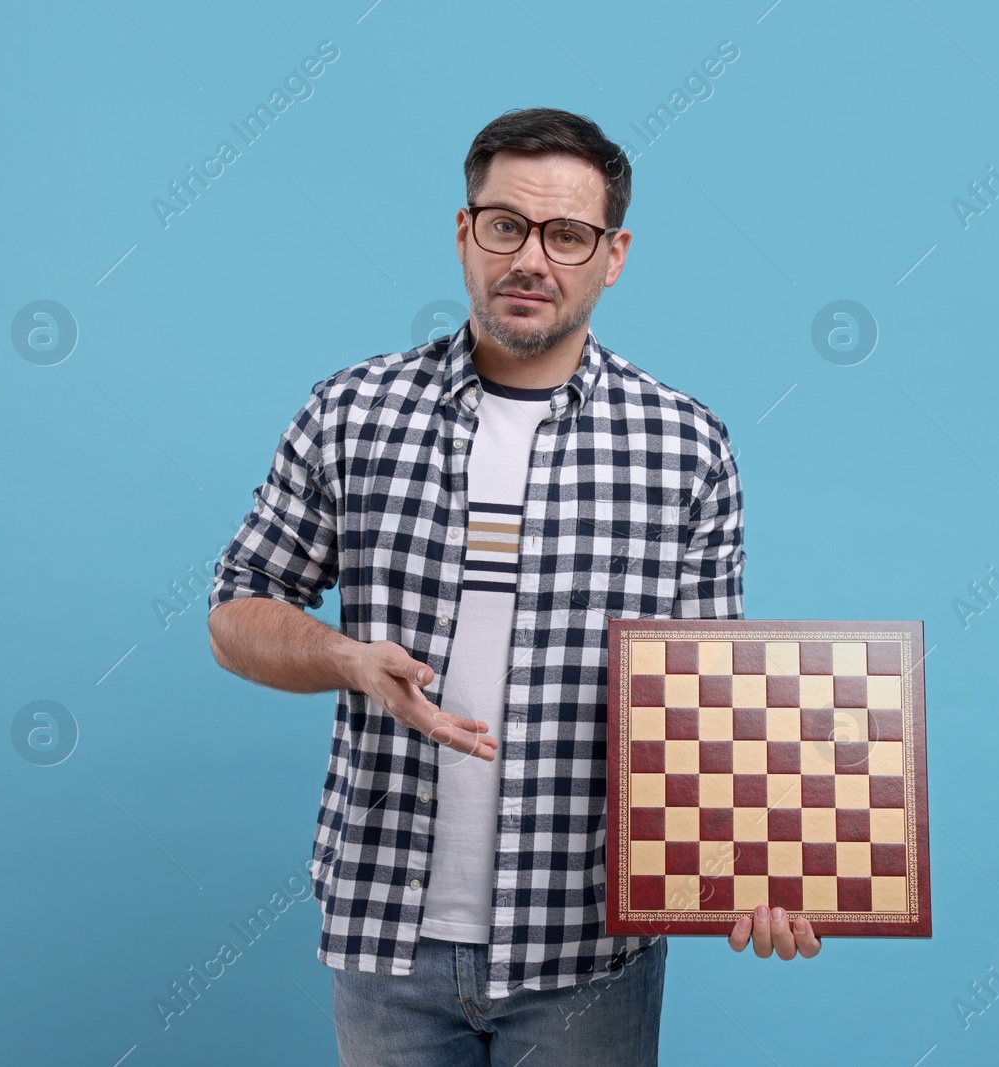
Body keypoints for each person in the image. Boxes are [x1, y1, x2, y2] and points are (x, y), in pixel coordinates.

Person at [208, 106, 819, 1067]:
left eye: (567, 235)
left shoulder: (684, 446)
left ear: (612, 255)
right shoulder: (352, 412)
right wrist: (344, 659)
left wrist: (765, 866)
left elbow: (717, 694)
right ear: (465, 233)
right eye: (506, 225)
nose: (532, 259)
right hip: (388, 938)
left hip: (588, 949)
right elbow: (237, 610)